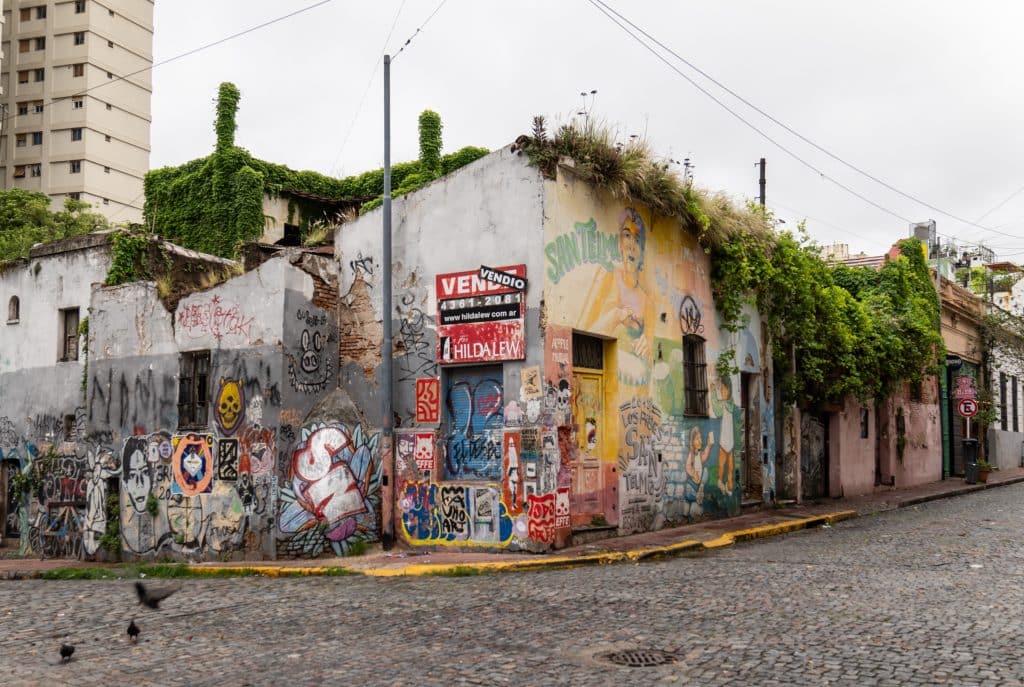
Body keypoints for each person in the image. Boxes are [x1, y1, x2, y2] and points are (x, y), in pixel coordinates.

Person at [580, 208, 656, 388]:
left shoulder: (648, 303)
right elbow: (582, 332)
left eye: (637, 239)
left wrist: (647, 345)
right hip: (601, 382)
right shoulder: (607, 276)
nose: (631, 245)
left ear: (642, 250)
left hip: (634, 392)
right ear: (619, 244)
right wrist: (615, 316)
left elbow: (651, 359)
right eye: (627, 235)